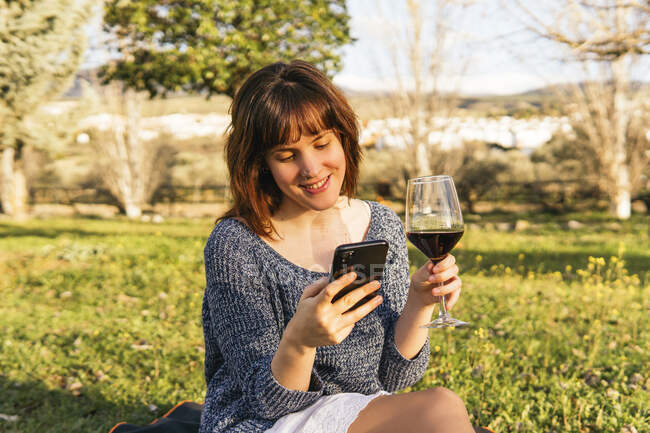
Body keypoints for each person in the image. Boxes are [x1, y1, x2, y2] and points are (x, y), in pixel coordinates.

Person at [200, 60, 475, 433]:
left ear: (343, 137)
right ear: (261, 163)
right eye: (286, 155)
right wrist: (300, 340)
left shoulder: (380, 225)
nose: (311, 167)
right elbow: (264, 402)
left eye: (321, 143)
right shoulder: (236, 246)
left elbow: (394, 378)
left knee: (437, 409)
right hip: (264, 422)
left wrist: (419, 303)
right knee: (441, 406)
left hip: (359, 411)